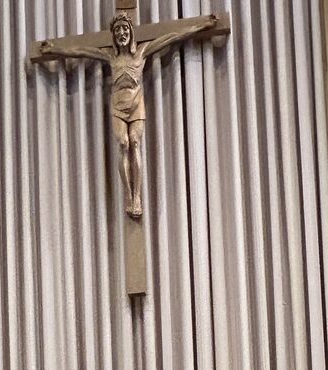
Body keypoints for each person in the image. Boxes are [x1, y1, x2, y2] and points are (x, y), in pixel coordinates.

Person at [38, 12, 218, 219]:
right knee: (123, 144)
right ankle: (128, 195)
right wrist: (54, 49)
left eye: (125, 29)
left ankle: (137, 197)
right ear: (113, 36)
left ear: (131, 32)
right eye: (117, 30)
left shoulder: (140, 53)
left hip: (136, 103)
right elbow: (80, 51)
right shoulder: (110, 57)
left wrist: (202, 25)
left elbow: (173, 36)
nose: (122, 33)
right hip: (117, 105)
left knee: (134, 142)